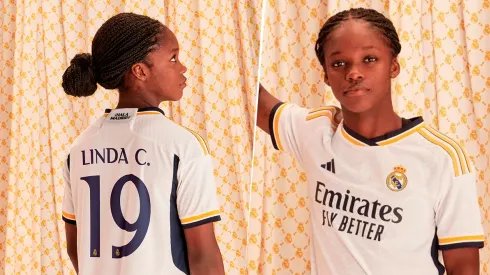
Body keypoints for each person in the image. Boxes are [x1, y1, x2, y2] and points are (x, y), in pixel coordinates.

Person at [257, 7, 484, 275]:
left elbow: (464, 268)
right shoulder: (315, 132)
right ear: (326, 76)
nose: (354, 73)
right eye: (339, 63)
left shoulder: (441, 158)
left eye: (370, 59)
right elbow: (253, 96)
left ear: (394, 66)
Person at [61, 12, 224, 275]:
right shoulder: (183, 146)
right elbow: (204, 256)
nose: (182, 67)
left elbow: (74, 247)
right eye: (173, 58)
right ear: (140, 71)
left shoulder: (78, 149)